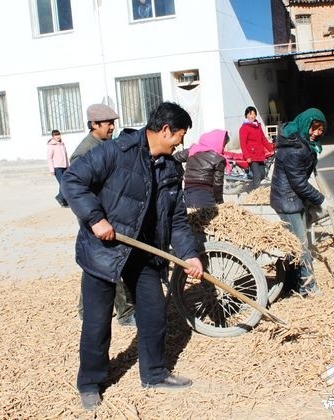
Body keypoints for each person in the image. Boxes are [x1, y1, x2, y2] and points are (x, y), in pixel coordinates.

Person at [61, 102, 204, 411]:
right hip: (104, 251)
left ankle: (154, 373)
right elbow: (72, 180)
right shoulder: (115, 151)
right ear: (165, 130)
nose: (180, 143)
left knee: (154, 314)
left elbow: (176, 219)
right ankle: (90, 383)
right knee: (97, 322)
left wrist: (189, 254)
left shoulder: (169, 168)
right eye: (180, 135)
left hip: (144, 252)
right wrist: (96, 219)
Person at [70, 103, 136, 328]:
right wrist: (95, 219)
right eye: (108, 123)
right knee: (110, 261)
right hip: (96, 217)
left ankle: (85, 309)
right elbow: (77, 190)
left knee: (95, 263)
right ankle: (125, 313)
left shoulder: (106, 144)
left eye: (113, 123)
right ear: (94, 124)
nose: (112, 127)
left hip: (107, 213)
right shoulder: (84, 152)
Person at [270, 108, 327, 297]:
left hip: (293, 198)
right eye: (314, 128)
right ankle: (308, 287)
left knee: (294, 244)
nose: (316, 133)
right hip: (287, 201)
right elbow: (299, 183)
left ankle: (291, 283)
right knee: (301, 246)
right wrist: (321, 200)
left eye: (320, 130)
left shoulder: (301, 143)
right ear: (305, 125)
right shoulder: (294, 149)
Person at [173, 129, 229, 208]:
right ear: (217, 143)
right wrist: (219, 201)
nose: (223, 148)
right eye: (223, 145)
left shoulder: (192, 150)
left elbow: (174, 158)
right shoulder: (219, 159)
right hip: (205, 196)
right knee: (205, 216)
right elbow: (218, 184)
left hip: (188, 193)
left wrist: (180, 173)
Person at [239, 106, 275, 192]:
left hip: (260, 154)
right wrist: (247, 156)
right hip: (251, 156)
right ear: (246, 115)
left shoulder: (258, 126)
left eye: (254, 114)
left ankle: (251, 186)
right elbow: (243, 144)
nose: (252, 116)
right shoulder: (244, 128)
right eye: (250, 114)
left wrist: (271, 149)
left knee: (262, 174)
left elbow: (263, 139)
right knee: (257, 175)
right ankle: (255, 193)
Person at [47, 129, 69, 207]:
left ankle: (62, 199)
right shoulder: (51, 146)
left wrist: (68, 166)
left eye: (58, 134)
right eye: (56, 135)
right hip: (57, 168)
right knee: (63, 183)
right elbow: (49, 158)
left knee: (65, 183)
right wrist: (51, 170)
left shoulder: (62, 144)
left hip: (65, 166)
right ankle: (60, 197)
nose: (58, 136)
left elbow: (66, 156)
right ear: (53, 136)